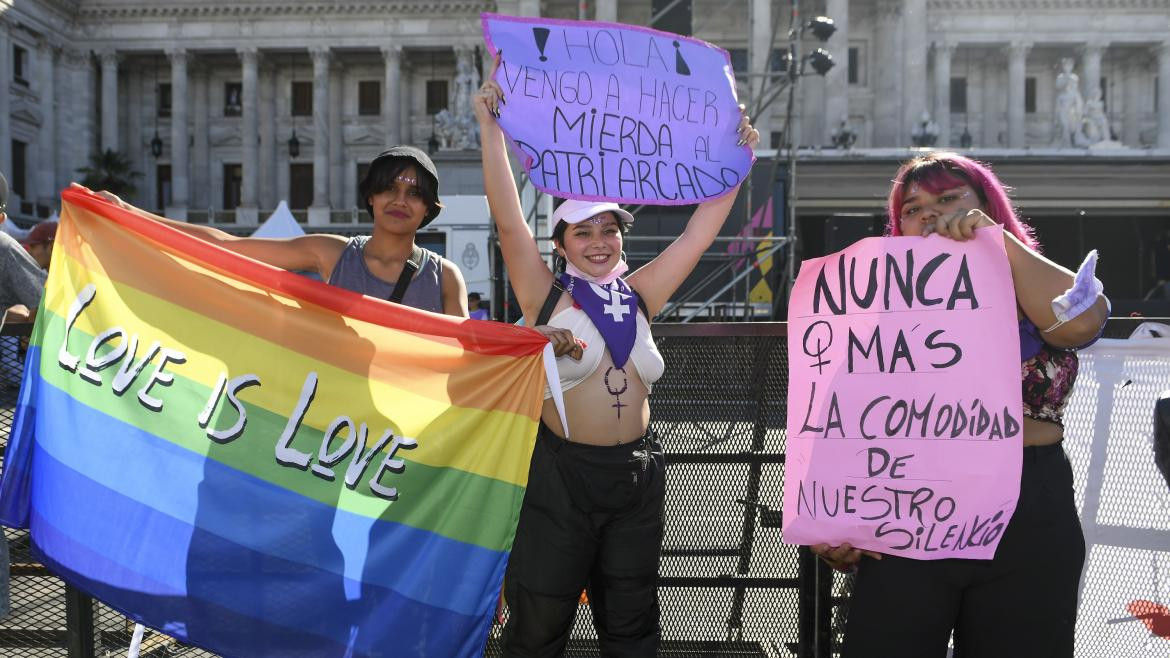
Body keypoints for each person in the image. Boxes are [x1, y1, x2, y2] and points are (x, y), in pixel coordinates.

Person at [474, 55, 759, 656]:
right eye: (583, 231)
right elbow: (506, 220)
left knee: (632, 625)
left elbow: (698, 235)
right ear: (560, 242)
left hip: (636, 475)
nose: (600, 242)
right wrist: (490, 128)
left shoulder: (640, 293)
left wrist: (737, 160)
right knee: (540, 622)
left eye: (610, 228)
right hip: (560, 477)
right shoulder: (543, 292)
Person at [812, 152, 1110, 657]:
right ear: (897, 225)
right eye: (912, 208)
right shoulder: (872, 305)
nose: (930, 214)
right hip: (908, 506)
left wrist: (996, 244)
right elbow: (842, 416)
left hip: (1027, 509)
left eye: (949, 198)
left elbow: (1082, 321)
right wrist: (830, 518)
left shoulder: (1025, 280)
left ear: (986, 205)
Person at [98, 147, 469, 316]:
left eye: (414, 194)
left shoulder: (446, 278)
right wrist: (131, 213)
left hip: (409, 436)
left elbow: (469, 364)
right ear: (371, 196)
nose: (400, 201)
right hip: (342, 429)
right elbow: (229, 245)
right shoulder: (332, 253)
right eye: (390, 188)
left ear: (427, 210)